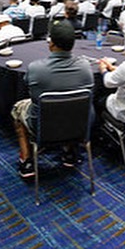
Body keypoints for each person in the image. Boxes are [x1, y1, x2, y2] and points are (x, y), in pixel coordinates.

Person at [11, 20, 93, 178]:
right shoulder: (86, 66)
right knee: (71, 106)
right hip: (79, 124)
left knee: (17, 108)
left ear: (51, 44)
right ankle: (69, 152)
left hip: (42, 125)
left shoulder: (36, 68)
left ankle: (27, 160)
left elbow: (26, 84)